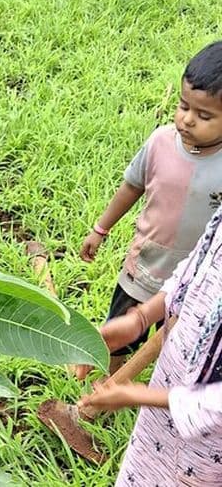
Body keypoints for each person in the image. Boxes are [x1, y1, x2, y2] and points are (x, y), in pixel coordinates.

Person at [80, 40, 222, 374]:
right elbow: (132, 186)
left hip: (196, 281)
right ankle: (108, 378)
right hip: (144, 267)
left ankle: (159, 383)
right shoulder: (160, 142)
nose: (187, 120)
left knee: (176, 342)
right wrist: (100, 229)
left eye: (204, 115)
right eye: (183, 106)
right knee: (120, 332)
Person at [77, 204, 222, 486]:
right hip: (165, 395)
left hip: (208, 450)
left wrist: (143, 396)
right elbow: (200, 264)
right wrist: (141, 318)